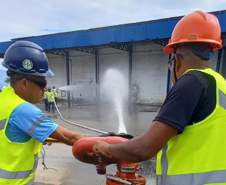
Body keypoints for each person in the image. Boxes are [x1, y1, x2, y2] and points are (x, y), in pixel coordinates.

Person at [93, 11, 226, 185]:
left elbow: (145, 148)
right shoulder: (220, 84)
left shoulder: (190, 83)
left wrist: (107, 149)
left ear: (177, 59)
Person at [0, 40, 82, 185]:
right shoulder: (24, 110)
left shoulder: (4, 98)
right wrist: (113, 146)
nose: (45, 89)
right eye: (42, 83)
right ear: (25, 83)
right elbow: (71, 138)